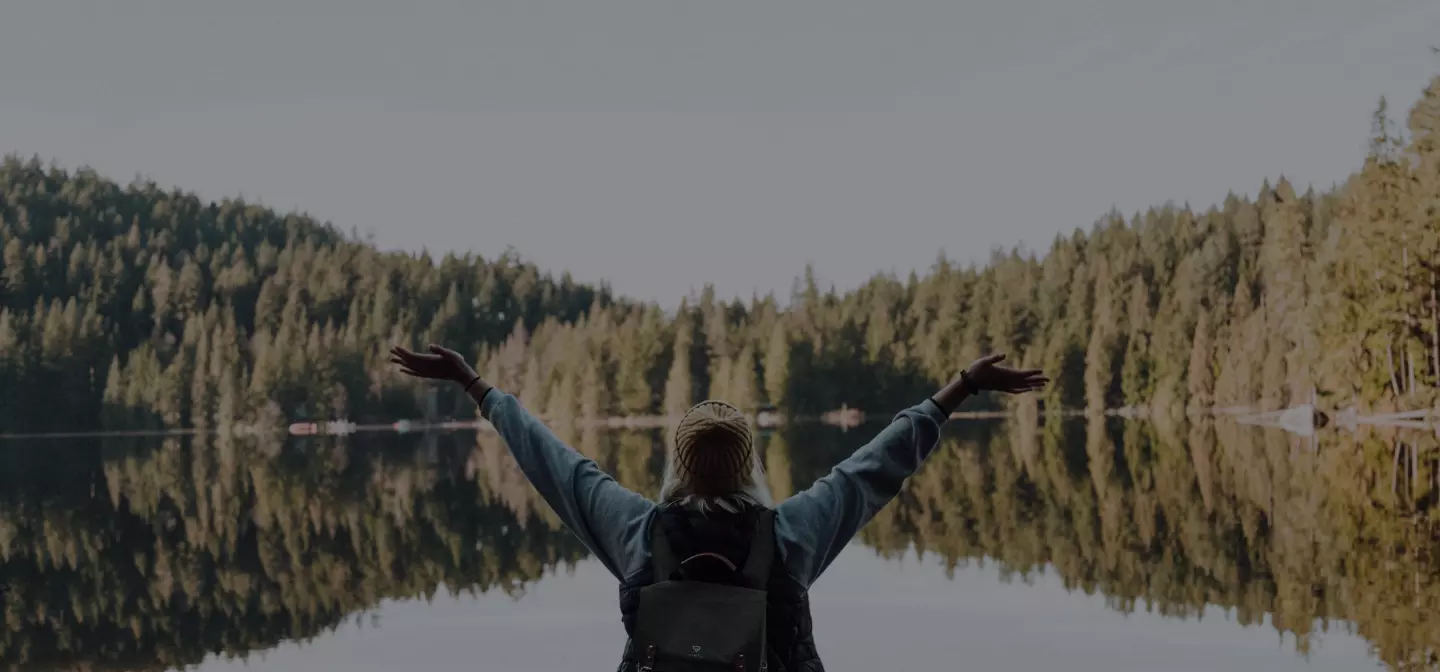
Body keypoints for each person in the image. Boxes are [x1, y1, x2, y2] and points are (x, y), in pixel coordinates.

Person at [390, 344, 1047, 671]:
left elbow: (550, 460)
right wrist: (962, 386)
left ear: (676, 466)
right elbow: (880, 463)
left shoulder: (638, 533)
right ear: (750, 466)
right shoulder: (791, 533)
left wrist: (474, 384)